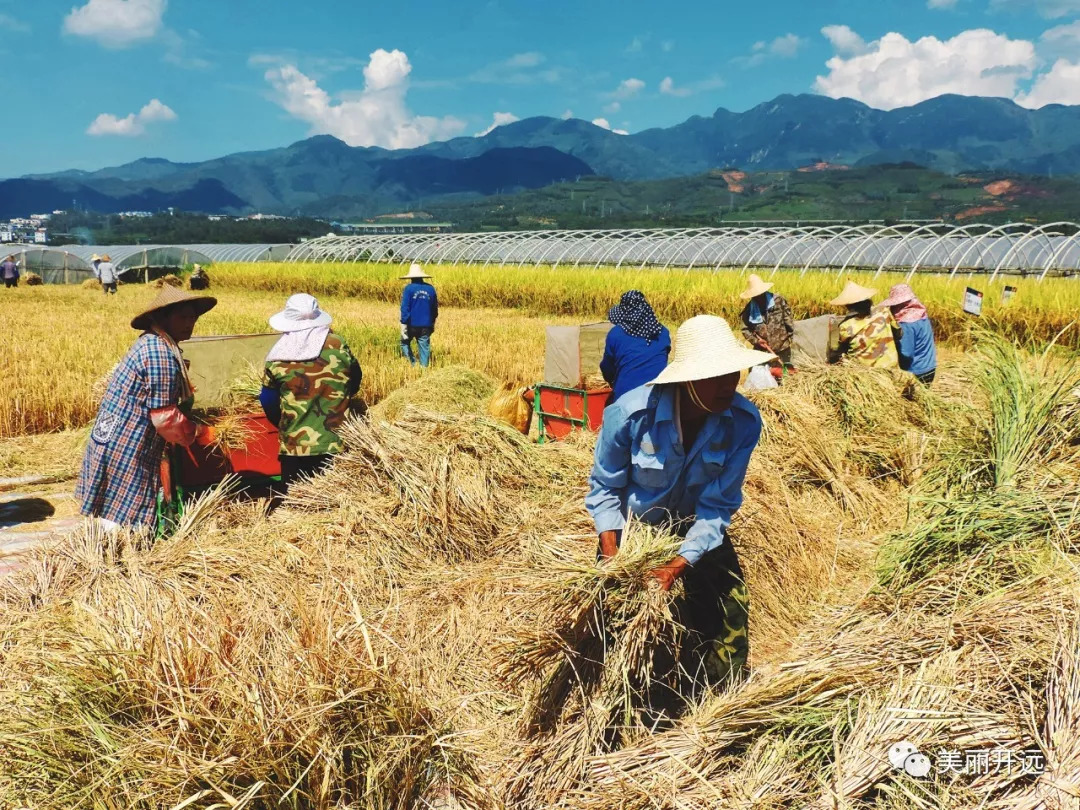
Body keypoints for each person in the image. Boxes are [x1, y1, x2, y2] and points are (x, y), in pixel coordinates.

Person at [586, 315, 775, 697]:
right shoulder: (630, 414)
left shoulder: (742, 422)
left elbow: (717, 506)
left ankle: (716, 702)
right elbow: (605, 488)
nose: (729, 385)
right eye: (714, 376)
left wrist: (678, 563)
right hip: (632, 534)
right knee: (609, 619)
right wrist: (615, 556)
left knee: (729, 607)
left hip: (694, 527)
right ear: (687, 378)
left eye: (733, 374)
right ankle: (615, 694)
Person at [76, 287, 217, 530]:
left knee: (114, 509)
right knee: (122, 517)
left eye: (192, 317)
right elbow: (164, 417)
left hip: (115, 436)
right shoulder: (159, 353)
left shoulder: (154, 343)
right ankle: (113, 560)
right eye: (182, 317)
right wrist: (199, 434)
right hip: (127, 441)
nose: (189, 323)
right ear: (163, 318)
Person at [260, 293, 362, 491]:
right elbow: (355, 381)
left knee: (296, 506)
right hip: (337, 442)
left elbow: (267, 400)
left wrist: (285, 423)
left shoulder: (277, 356)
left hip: (294, 447)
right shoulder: (338, 344)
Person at [601, 290, 671, 401]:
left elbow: (607, 368)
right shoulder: (662, 333)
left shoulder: (616, 334)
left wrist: (611, 380)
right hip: (659, 397)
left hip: (626, 399)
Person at [827, 281, 898, 368]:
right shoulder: (884, 312)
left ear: (848, 306)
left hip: (862, 369)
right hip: (890, 365)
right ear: (868, 301)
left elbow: (837, 350)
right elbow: (898, 333)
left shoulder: (845, 326)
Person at [880, 283, 937, 385]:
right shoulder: (921, 314)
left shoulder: (906, 322)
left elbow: (906, 353)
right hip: (930, 366)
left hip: (916, 371)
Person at [739, 274, 794, 368]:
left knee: (785, 377)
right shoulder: (749, 309)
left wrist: (794, 341)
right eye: (755, 295)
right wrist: (756, 341)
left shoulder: (778, 301)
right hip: (763, 354)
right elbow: (745, 329)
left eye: (760, 294)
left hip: (783, 349)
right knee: (765, 378)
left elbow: (789, 323)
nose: (758, 297)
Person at [399, 263, 438, 367]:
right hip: (426, 325)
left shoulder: (409, 289)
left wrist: (403, 324)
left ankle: (413, 364)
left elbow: (405, 308)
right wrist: (432, 322)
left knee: (404, 342)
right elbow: (434, 308)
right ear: (421, 276)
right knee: (424, 347)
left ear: (411, 277)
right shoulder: (431, 289)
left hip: (412, 324)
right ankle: (423, 369)